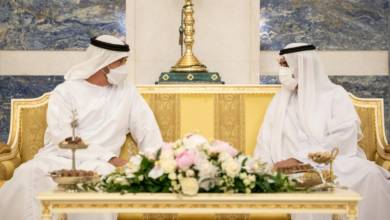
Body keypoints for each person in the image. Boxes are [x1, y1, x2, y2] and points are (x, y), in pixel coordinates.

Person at [0, 35, 163, 220]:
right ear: (104, 63)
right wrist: (111, 158)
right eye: (121, 62)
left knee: (102, 179)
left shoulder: (127, 91)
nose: (125, 68)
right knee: (27, 173)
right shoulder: (66, 91)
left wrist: (156, 165)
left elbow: (147, 129)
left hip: (100, 165)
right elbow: (63, 138)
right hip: (58, 157)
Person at [254, 43, 390, 220]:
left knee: (370, 174)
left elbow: (344, 136)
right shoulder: (280, 99)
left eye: (285, 65)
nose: (282, 72)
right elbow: (265, 137)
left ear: (302, 66)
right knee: (307, 186)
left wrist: (301, 158)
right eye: (281, 66)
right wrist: (262, 169)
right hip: (291, 168)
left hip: (332, 162)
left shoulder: (335, 95)